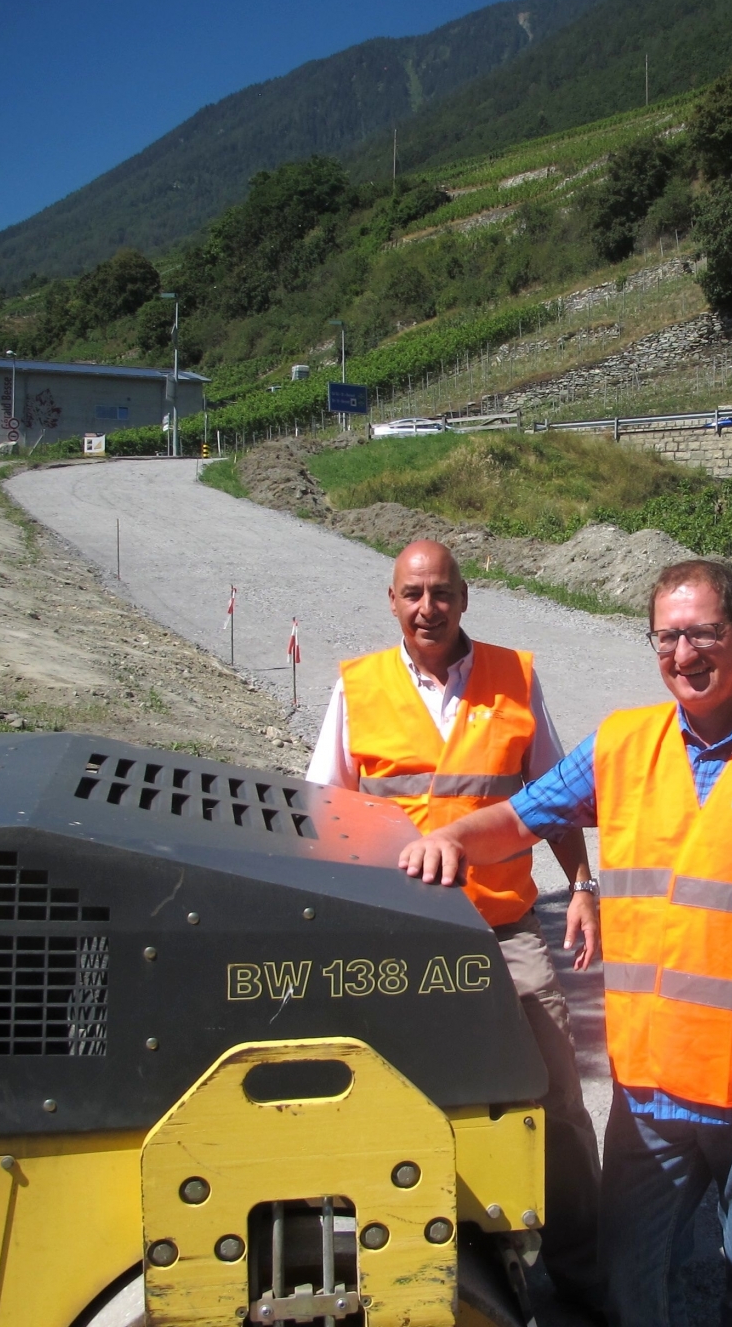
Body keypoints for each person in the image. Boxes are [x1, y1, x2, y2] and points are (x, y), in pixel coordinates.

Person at [396, 558, 732, 1327]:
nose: (684, 656)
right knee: (628, 1285)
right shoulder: (623, 744)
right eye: (667, 637)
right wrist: (452, 835)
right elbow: (522, 817)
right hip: (651, 1093)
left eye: (704, 634)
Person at [307, 539, 604, 1309]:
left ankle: (583, 1270)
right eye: (412, 594)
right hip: (394, 935)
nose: (427, 609)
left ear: (465, 598)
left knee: (556, 1094)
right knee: (389, 1095)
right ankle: (400, 1255)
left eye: (441, 593)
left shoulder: (515, 678)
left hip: (503, 929)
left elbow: (557, 794)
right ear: (392, 601)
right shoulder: (357, 687)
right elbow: (321, 813)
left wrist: (581, 882)